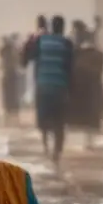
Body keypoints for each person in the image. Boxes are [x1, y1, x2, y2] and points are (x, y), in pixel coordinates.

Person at [24, 15, 74, 166]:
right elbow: (70, 68)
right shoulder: (67, 43)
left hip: (43, 86)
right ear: (63, 27)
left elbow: (27, 58)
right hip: (60, 88)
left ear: (51, 27)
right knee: (60, 123)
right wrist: (70, 90)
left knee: (43, 120)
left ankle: (46, 147)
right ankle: (56, 154)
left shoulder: (41, 41)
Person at [66, 22, 103, 148]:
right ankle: (89, 143)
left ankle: (78, 143)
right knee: (91, 116)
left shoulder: (74, 53)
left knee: (80, 115)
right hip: (93, 88)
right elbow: (100, 71)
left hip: (79, 88)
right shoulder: (98, 54)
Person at [20, 15, 48, 108]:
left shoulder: (35, 37)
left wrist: (24, 63)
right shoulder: (49, 36)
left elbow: (27, 52)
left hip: (39, 68)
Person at [0, 34, 21, 124]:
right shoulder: (9, 50)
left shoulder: (8, 51)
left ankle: (11, 116)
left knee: (10, 96)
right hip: (9, 75)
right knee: (10, 95)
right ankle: (10, 116)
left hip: (9, 75)